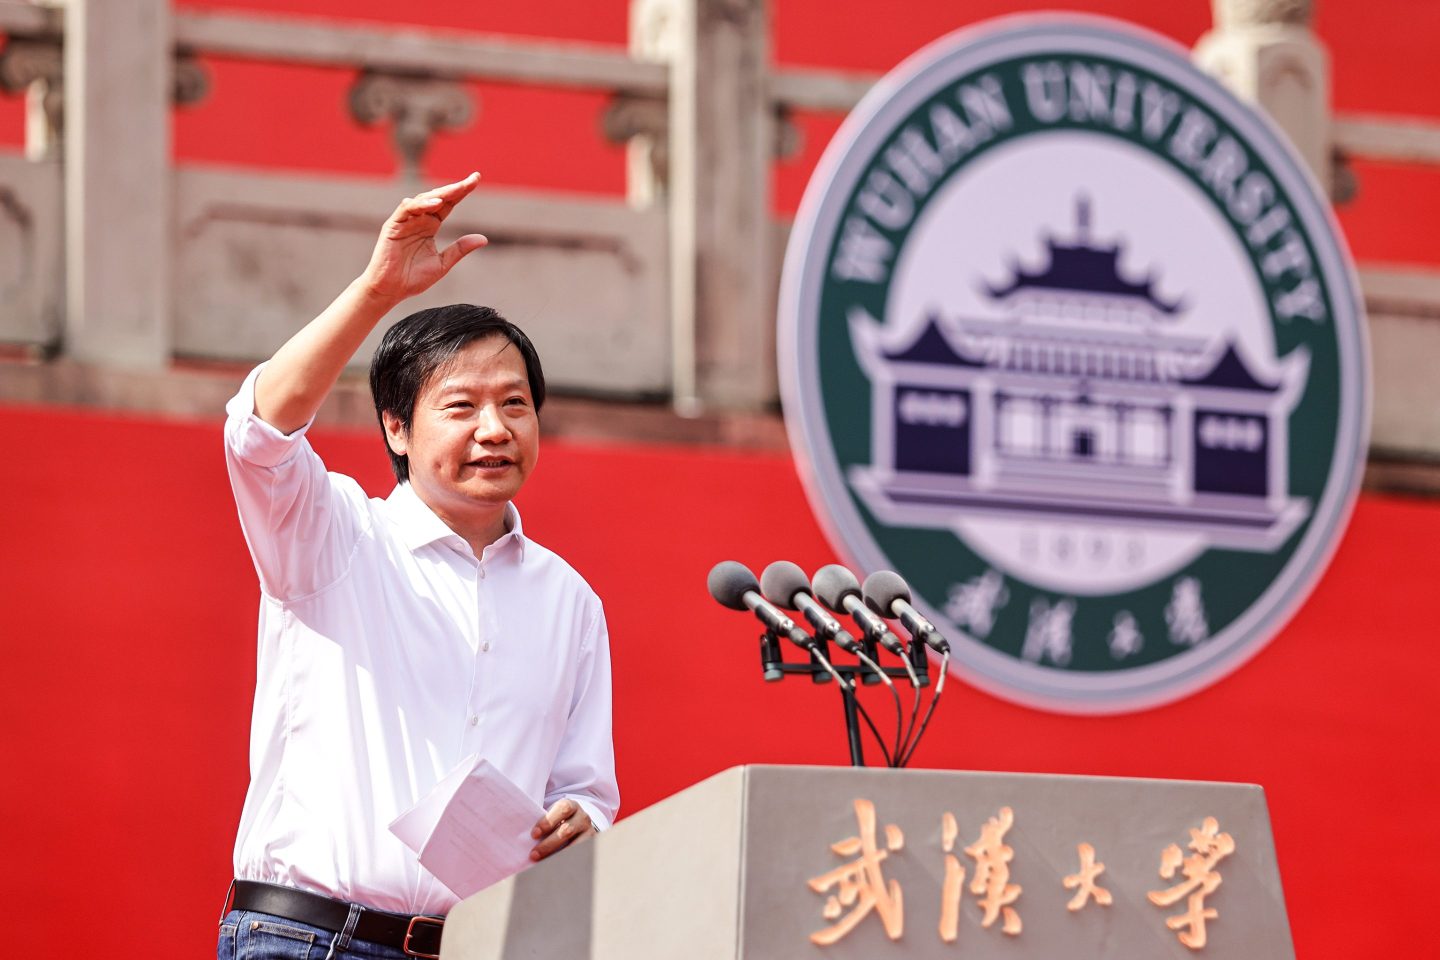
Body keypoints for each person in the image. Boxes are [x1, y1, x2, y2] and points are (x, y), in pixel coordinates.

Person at [218, 172, 618, 960]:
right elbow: (256, 433)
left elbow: (581, 791)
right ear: (397, 429)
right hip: (310, 938)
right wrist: (376, 292)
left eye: (514, 404)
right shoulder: (332, 535)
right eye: (462, 407)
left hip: (478, 945)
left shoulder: (568, 600)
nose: (495, 429)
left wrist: (581, 822)